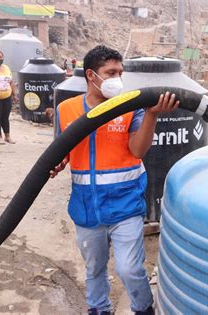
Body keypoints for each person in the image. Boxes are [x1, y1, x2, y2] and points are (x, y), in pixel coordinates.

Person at [51, 45, 179, 315]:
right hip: (86, 208)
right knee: (94, 268)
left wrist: (152, 115)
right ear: (91, 75)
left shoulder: (130, 107)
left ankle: (144, 308)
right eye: (110, 72)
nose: (117, 78)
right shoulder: (67, 109)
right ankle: (99, 309)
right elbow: (60, 150)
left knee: (129, 269)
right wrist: (58, 162)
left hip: (125, 205)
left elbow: (137, 150)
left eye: (120, 72)